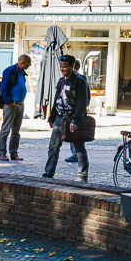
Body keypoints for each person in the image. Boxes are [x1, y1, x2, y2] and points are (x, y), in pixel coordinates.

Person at [44, 54, 90, 182]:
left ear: (72, 66)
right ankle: (48, 173)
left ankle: (82, 175)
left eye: (64, 67)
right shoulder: (61, 81)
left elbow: (82, 103)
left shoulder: (80, 81)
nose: (62, 69)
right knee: (53, 146)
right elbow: (56, 99)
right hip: (60, 117)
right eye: (61, 66)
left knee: (79, 147)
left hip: (73, 117)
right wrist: (51, 118)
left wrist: (76, 120)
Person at [0, 54, 32, 162]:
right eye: (28, 64)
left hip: (20, 104)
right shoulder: (10, 71)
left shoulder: (22, 73)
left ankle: (13, 152)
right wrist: (7, 101)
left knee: (16, 131)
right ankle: (2, 152)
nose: (28, 66)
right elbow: (4, 86)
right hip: (10, 105)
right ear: (22, 62)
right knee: (6, 129)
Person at [65, 59, 84, 163]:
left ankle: (76, 154)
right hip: (69, 112)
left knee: (76, 135)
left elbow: (84, 98)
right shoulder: (65, 79)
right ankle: (75, 153)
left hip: (76, 112)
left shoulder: (80, 80)